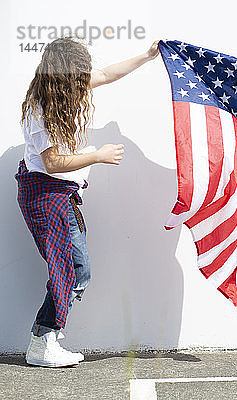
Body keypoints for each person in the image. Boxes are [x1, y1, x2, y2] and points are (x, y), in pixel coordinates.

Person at [16, 36, 160, 367]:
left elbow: (108, 74)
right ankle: (42, 340)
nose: (85, 75)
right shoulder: (40, 108)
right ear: (62, 73)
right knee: (71, 269)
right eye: (79, 70)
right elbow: (51, 164)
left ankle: (46, 335)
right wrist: (97, 155)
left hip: (59, 194)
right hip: (44, 194)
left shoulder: (67, 89)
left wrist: (147, 56)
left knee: (76, 270)